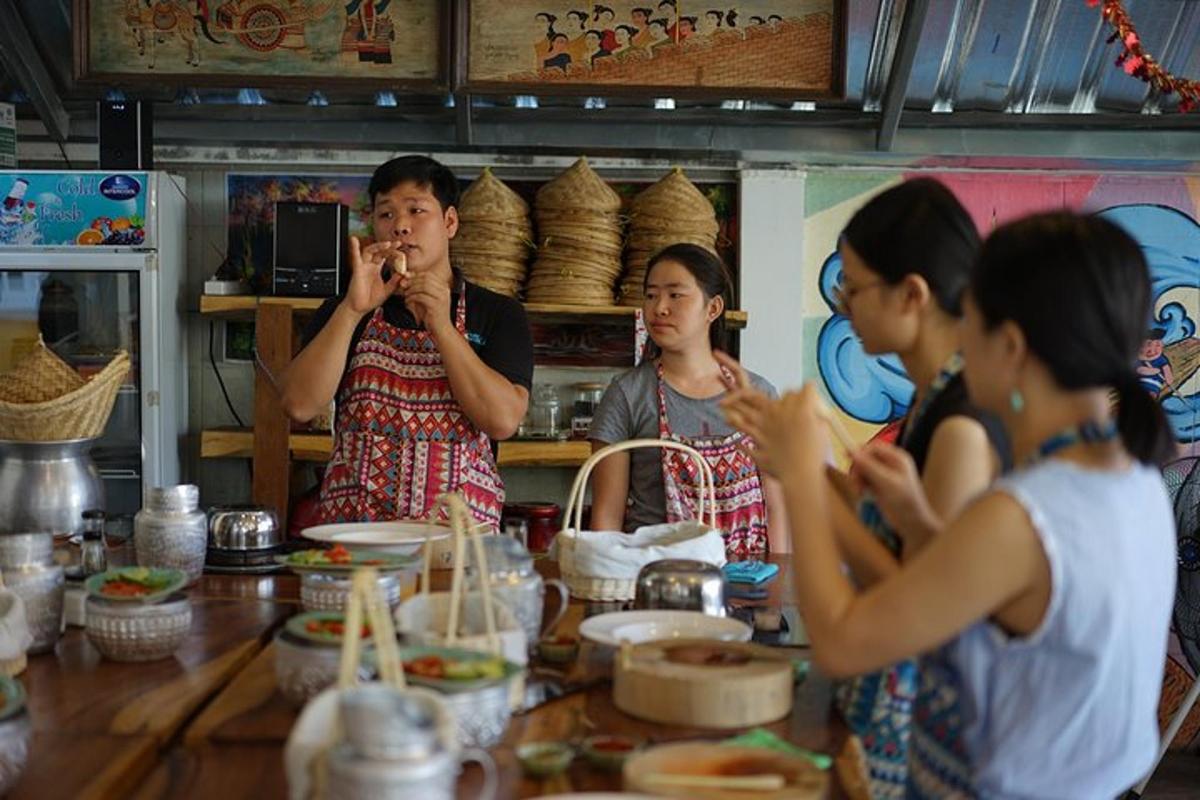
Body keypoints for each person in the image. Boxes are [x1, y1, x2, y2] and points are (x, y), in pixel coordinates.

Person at [723, 212, 1176, 798]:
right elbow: (1010, 605)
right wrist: (918, 523)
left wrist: (805, 480)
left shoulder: (1024, 512)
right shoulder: (1133, 477)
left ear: (1008, 346)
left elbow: (841, 641)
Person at [783, 178, 1008, 797]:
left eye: (853, 287)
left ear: (912, 294)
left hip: (923, 728)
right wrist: (805, 467)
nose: (844, 305)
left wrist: (804, 478)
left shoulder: (962, 424)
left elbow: (918, 601)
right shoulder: (935, 402)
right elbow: (899, 546)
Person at [279, 155, 533, 530]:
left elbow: (501, 421)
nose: (400, 226)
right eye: (386, 215)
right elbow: (298, 405)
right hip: (358, 539)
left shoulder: (497, 312)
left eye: (416, 211)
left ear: (449, 222)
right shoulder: (347, 307)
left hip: (458, 543)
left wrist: (443, 328)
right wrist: (351, 309)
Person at [588, 244, 788, 559]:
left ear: (713, 308)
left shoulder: (757, 394)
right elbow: (606, 517)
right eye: (651, 295)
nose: (659, 308)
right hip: (655, 582)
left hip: (747, 586)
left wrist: (776, 590)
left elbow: (777, 508)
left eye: (675, 295)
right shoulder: (627, 394)